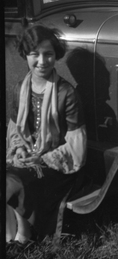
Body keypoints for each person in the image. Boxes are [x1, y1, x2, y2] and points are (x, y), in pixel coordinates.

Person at [6, 24, 87, 244]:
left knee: (15, 181)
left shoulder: (66, 93)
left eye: (48, 54)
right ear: (26, 55)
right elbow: (16, 130)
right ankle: (10, 232)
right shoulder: (19, 88)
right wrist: (20, 148)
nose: (42, 62)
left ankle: (24, 236)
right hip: (29, 155)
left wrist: (41, 159)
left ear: (56, 56)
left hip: (57, 163)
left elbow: (76, 147)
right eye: (35, 54)